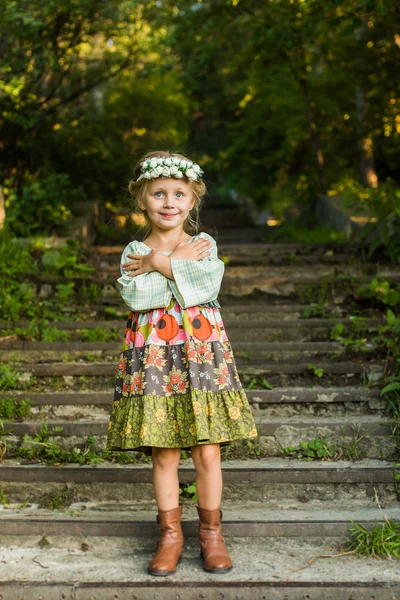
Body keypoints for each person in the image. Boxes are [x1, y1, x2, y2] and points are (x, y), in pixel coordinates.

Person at [106, 150, 258, 576]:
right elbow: (139, 296)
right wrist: (171, 266)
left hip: (202, 353)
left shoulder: (203, 245)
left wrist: (160, 266)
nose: (168, 202)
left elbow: (206, 285)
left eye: (178, 194)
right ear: (142, 199)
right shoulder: (135, 250)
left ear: (192, 201)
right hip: (154, 355)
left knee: (208, 451)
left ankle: (211, 535)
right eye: (158, 193)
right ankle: (170, 536)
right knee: (165, 453)